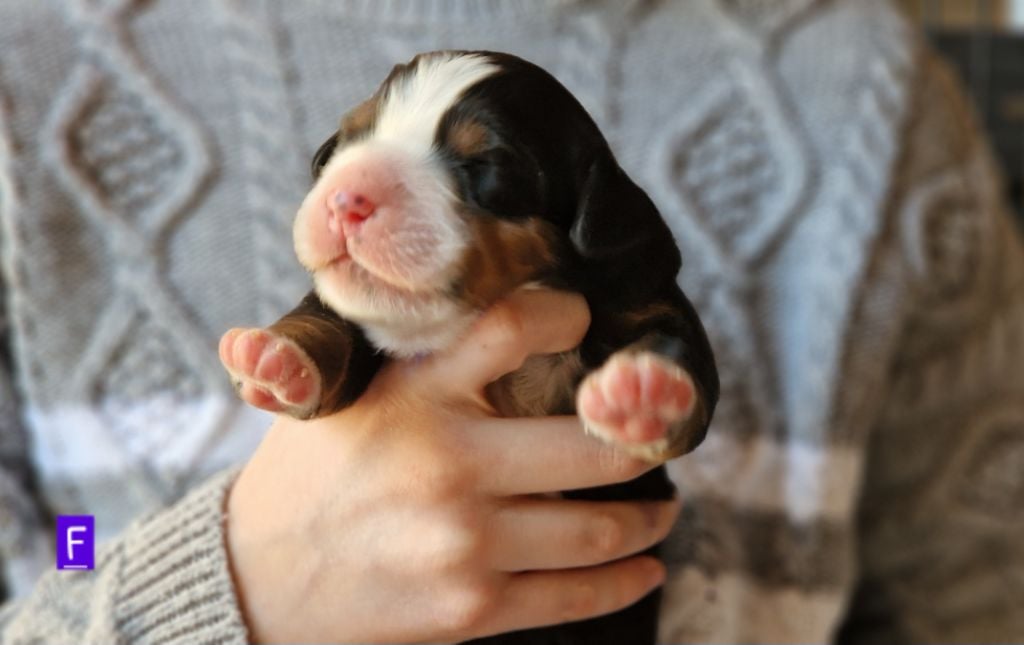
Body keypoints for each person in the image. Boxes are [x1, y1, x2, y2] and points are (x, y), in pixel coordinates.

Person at [1, 0, 1023, 643]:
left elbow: (976, 602)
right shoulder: (30, 69)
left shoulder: (868, 88)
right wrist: (203, 587)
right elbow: (59, 563)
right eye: (345, 151)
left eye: (478, 173)